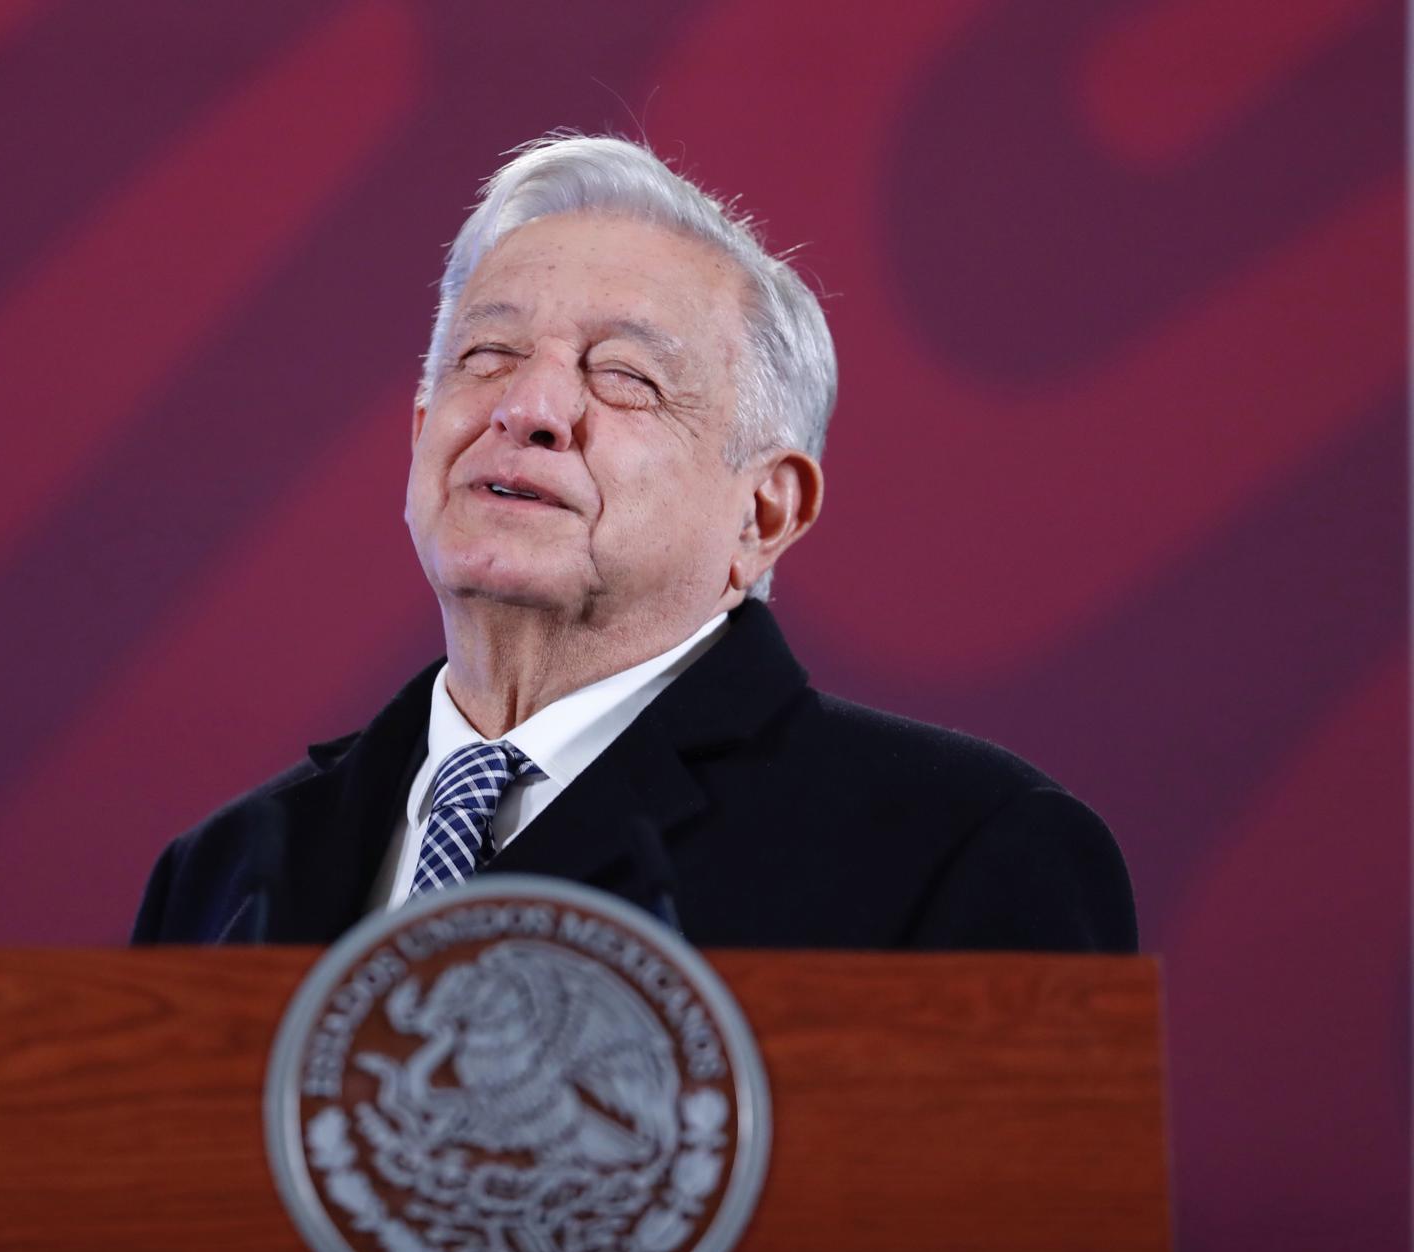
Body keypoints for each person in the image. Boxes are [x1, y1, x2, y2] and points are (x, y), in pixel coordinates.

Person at [132, 135, 1136, 951]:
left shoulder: (966, 848)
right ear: (419, 435)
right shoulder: (224, 867)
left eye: (624, 377)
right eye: (486, 356)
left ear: (765, 513)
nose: (527, 408)